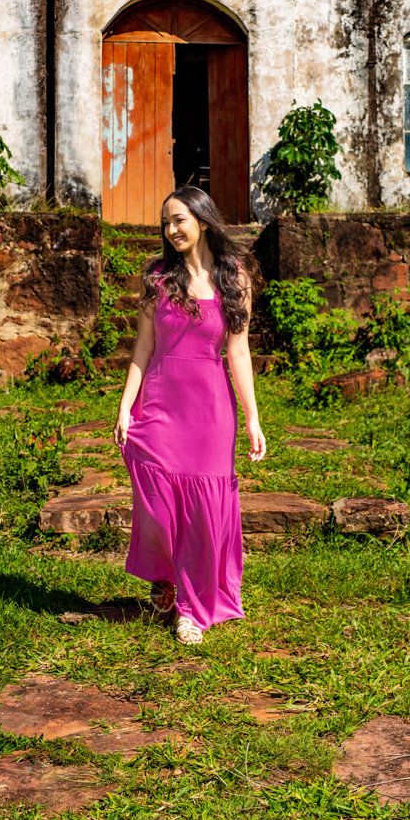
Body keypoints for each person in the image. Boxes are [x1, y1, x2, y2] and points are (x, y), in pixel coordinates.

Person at [113, 186, 267, 645]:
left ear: (202, 219)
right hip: (161, 402)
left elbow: (239, 353)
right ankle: (166, 575)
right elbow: (143, 348)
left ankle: (191, 609)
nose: (171, 229)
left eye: (178, 219)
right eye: (165, 222)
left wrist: (253, 418)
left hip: (211, 409)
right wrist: (125, 405)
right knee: (158, 500)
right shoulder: (159, 278)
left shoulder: (234, 277)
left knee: (203, 515)